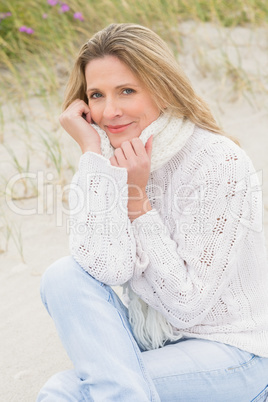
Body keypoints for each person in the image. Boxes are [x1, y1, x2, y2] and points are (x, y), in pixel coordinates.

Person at [37, 23, 268, 401]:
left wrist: (136, 202)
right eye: (96, 95)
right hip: (158, 347)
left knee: (68, 392)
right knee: (62, 277)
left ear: (161, 86)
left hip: (235, 352)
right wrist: (93, 156)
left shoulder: (218, 162)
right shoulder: (110, 160)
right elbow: (107, 268)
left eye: (127, 91)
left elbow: (187, 307)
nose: (110, 111)